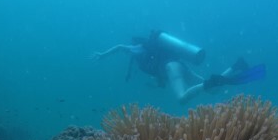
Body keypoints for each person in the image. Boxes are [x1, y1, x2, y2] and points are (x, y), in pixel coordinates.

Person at [93, 30, 265, 104]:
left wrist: (102, 54)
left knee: (182, 99)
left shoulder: (140, 48)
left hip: (171, 68)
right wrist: (155, 85)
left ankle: (209, 82)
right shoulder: (154, 52)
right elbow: (161, 78)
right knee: (213, 91)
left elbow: (120, 47)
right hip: (179, 65)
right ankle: (236, 66)